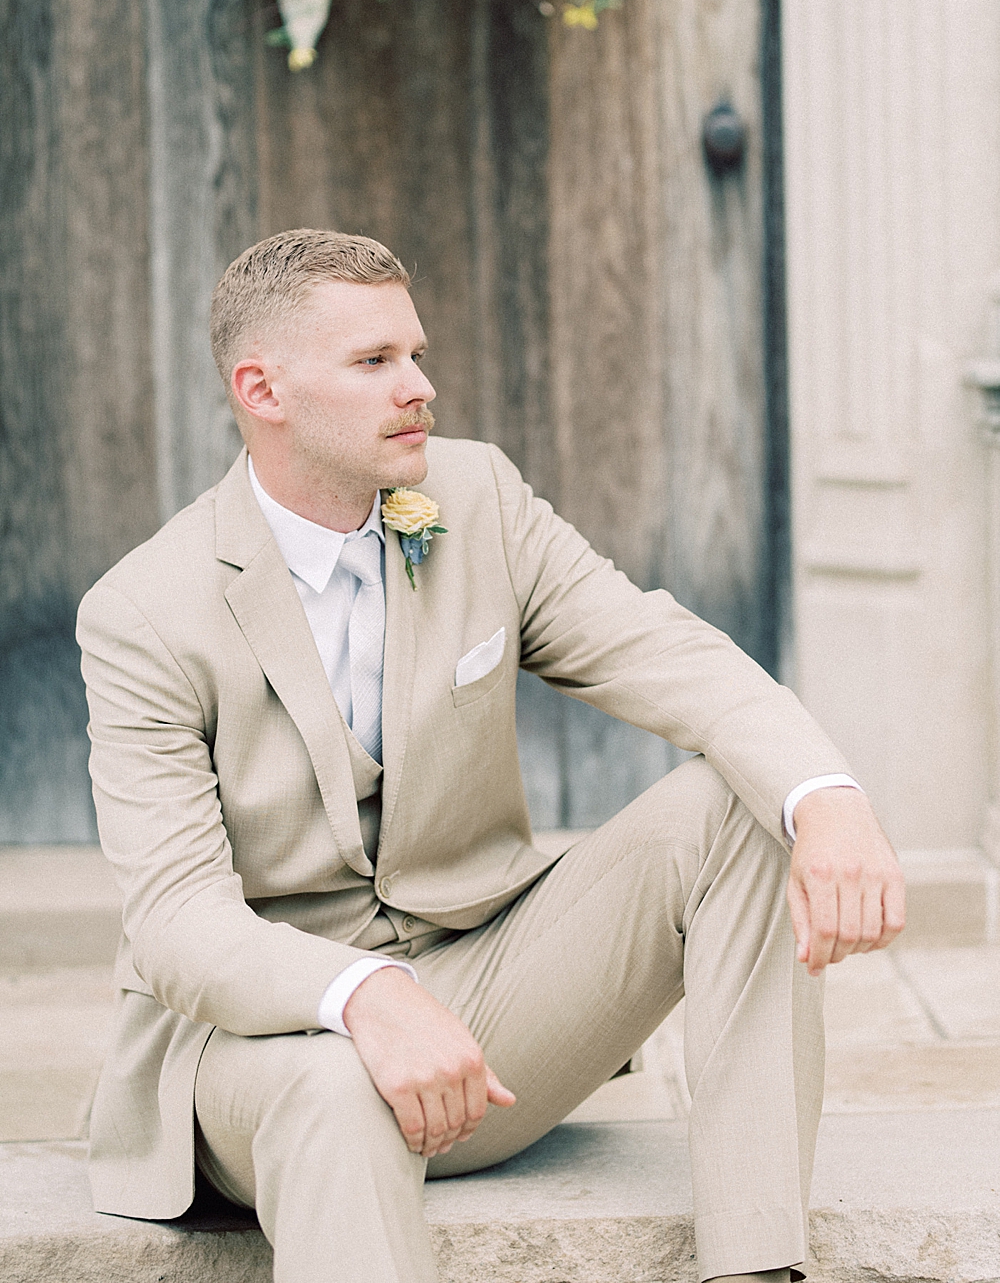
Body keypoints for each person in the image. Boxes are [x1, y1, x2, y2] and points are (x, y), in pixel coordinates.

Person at [78, 229, 905, 1283]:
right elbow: (178, 922)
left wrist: (825, 794)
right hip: (265, 1052)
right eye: (374, 361)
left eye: (416, 354)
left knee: (744, 805)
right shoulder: (145, 612)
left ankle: (755, 1267)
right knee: (336, 1087)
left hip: (487, 1013)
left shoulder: (477, 498)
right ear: (262, 390)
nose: (419, 387)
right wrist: (362, 994)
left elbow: (658, 648)